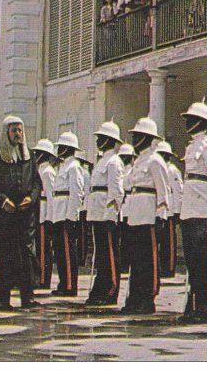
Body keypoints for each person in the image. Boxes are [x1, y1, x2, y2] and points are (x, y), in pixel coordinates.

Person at [0, 116, 41, 310]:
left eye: (20, 131)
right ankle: (3, 299)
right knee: (4, 257)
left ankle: (27, 296)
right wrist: (2, 200)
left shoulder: (29, 156)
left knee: (27, 256)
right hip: (4, 217)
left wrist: (31, 198)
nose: (17, 134)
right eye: (14, 131)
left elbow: (37, 183)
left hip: (25, 216)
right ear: (7, 132)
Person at [178, 99, 207, 325]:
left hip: (204, 210)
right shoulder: (191, 147)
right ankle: (194, 305)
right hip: (190, 209)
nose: (188, 122)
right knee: (193, 262)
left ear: (201, 122)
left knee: (205, 262)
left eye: (191, 119)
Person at [121, 117, 169, 315]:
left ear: (148, 138)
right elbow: (127, 186)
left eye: (138, 136)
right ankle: (134, 299)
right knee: (136, 259)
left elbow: (163, 190)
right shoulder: (138, 160)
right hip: (135, 212)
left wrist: (161, 215)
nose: (134, 139)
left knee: (147, 261)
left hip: (148, 213)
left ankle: (147, 299)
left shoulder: (155, 160)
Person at [86, 121, 124, 306]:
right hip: (97, 211)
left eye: (101, 138)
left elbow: (116, 190)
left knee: (109, 254)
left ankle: (110, 290)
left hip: (106, 212)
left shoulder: (114, 161)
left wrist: (111, 213)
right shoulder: (101, 160)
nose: (98, 141)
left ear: (109, 140)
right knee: (101, 254)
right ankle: (99, 288)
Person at [50, 132, 85, 297]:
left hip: (66, 213)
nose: (59, 150)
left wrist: (72, 216)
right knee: (60, 252)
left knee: (67, 252)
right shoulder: (62, 166)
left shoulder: (74, 166)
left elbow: (77, 192)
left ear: (68, 148)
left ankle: (70, 285)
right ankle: (64, 282)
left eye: (61, 147)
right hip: (58, 213)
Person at [32, 139, 57, 290]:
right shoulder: (40, 170)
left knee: (43, 250)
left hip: (43, 212)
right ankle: (39, 276)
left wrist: (50, 218)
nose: (35, 155)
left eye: (38, 153)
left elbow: (51, 197)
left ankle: (43, 279)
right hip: (37, 211)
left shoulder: (47, 172)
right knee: (39, 248)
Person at [154, 141, 181, 279]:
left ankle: (169, 268)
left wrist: (177, 211)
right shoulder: (158, 168)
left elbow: (177, 191)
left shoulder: (172, 170)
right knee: (159, 240)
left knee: (168, 242)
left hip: (170, 210)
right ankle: (160, 267)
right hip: (159, 210)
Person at [117, 143, 136, 274]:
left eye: (125, 156)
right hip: (122, 205)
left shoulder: (132, 171)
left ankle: (127, 262)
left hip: (129, 203)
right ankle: (123, 261)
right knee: (122, 236)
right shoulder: (121, 170)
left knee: (129, 237)